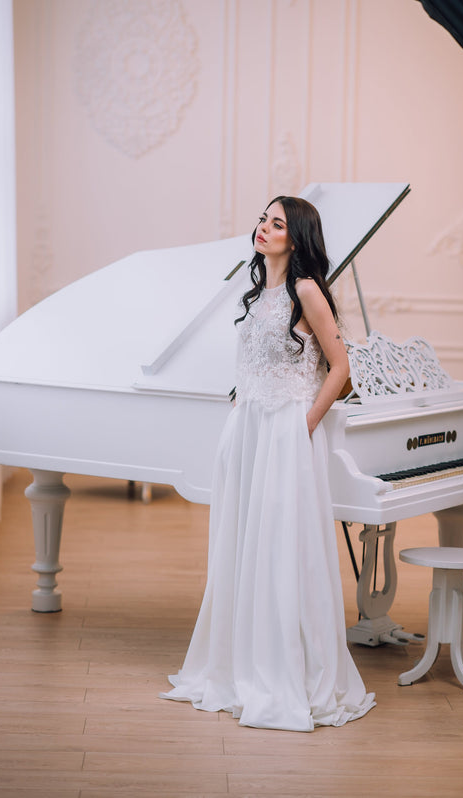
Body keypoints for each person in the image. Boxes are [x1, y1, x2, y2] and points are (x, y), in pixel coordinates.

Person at [161, 196, 376, 731]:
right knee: (244, 542)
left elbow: (343, 366)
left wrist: (304, 423)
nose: (263, 228)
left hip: (285, 431)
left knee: (282, 546)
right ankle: (239, 664)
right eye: (263, 218)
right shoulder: (257, 293)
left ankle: (285, 669)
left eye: (277, 224)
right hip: (249, 429)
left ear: (296, 239)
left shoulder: (306, 291)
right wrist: (243, 411)